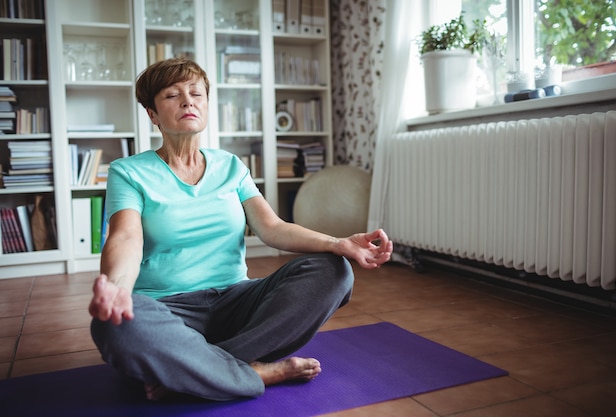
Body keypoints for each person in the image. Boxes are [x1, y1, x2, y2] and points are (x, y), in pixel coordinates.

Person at [88, 57, 393, 402]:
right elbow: (126, 237)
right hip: (167, 310)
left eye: (196, 93)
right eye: (172, 95)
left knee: (334, 270)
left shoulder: (231, 166)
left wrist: (339, 243)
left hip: (236, 302)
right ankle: (255, 371)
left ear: (206, 104)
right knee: (114, 325)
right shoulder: (129, 172)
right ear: (153, 114)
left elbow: (272, 227)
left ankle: (196, 369)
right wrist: (117, 289)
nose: (188, 101)